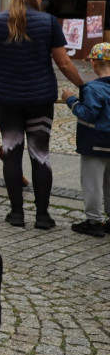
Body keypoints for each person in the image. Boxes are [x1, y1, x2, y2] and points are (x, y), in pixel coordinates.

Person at [0, 0, 84, 229]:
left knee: (11, 153)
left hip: (6, 99)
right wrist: (83, 85)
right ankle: (42, 216)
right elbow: (63, 62)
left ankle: (16, 214)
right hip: (40, 98)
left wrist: (0, 79)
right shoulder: (48, 22)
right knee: (40, 154)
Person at [63, 42, 110, 237]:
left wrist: (71, 100)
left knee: (92, 182)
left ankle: (93, 220)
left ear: (93, 62)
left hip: (94, 142)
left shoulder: (92, 88)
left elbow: (87, 114)